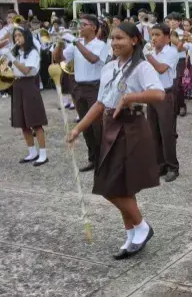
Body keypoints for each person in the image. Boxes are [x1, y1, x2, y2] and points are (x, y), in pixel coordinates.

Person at [67, 21, 165, 259]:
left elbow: (159, 94)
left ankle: (142, 226)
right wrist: (78, 128)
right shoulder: (109, 67)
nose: (115, 43)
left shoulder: (142, 67)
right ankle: (131, 233)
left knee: (112, 184)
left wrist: (130, 96)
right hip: (110, 125)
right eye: (112, 39)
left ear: (134, 40)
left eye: (120, 38)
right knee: (118, 184)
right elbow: (101, 103)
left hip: (130, 128)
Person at [53, 14, 109, 171]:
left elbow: (93, 59)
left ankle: (104, 159)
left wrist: (75, 42)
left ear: (93, 27)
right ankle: (93, 159)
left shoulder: (101, 45)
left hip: (95, 87)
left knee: (98, 126)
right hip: (79, 87)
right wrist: (60, 42)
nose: (80, 27)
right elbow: (58, 59)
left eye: (83, 24)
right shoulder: (75, 44)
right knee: (85, 126)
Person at [6, 27, 49, 166]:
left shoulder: (33, 53)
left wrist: (11, 59)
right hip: (17, 86)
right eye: (15, 36)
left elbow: (25, 70)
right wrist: (3, 63)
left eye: (20, 35)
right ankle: (32, 152)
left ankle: (43, 154)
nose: (17, 38)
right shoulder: (17, 52)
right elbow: (9, 71)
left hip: (29, 85)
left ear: (26, 37)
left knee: (35, 122)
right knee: (22, 123)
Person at [145, 24, 181, 182]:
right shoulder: (151, 52)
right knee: (153, 133)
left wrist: (148, 56)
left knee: (167, 133)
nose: (154, 38)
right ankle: (160, 165)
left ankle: (172, 166)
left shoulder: (171, 52)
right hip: (151, 95)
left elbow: (160, 69)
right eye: (152, 34)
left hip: (165, 94)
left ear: (167, 37)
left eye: (157, 34)